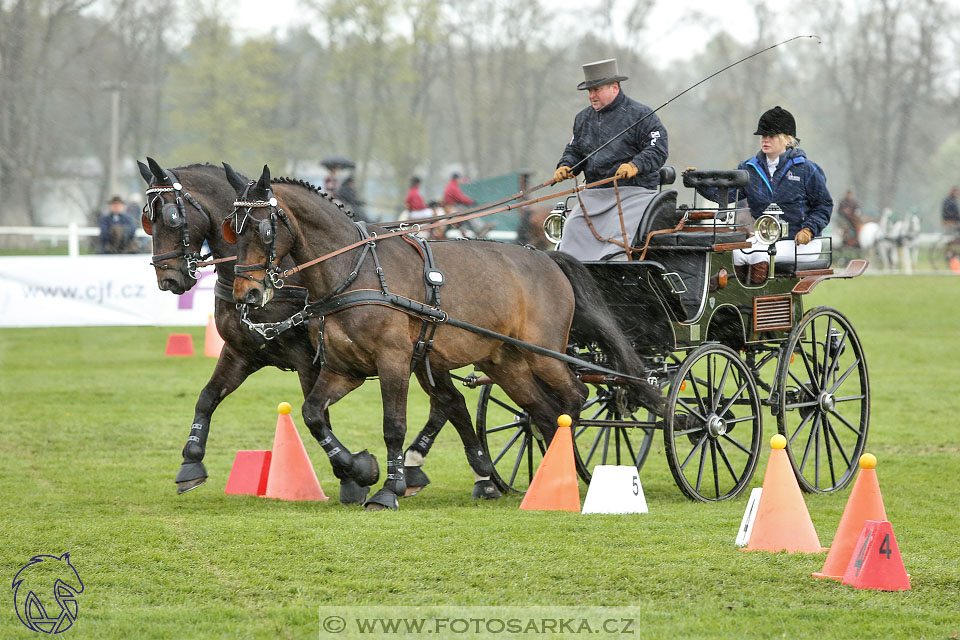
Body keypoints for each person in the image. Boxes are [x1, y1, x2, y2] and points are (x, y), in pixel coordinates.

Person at [690, 106, 833, 283]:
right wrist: (699, 183)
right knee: (734, 253)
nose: (765, 140)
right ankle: (736, 303)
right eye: (763, 136)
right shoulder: (749, 169)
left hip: (802, 243)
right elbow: (727, 195)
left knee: (758, 254)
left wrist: (809, 229)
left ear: (787, 139)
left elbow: (824, 205)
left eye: (771, 136)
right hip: (763, 238)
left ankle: (756, 300)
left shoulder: (807, 170)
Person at [552, 58, 668, 260]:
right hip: (594, 194)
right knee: (571, 231)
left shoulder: (642, 115)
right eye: (589, 91)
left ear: (614, 87)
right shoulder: (582, 118)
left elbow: (658, 148)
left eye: (596, 90)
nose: (591, 96)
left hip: (635, 193)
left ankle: (613, 267)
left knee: (617, 237)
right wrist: (566, 165)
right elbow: (574, 149)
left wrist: (635, 165)